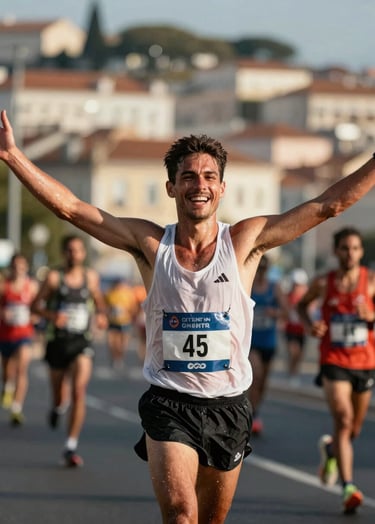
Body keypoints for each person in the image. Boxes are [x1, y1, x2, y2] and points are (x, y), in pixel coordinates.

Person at [1, 109, 375, 521]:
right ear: (171, 187)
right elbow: (72, 209)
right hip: (169, 403)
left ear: (222, 188)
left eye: (209, 176)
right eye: (189, 177)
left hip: (228, 405)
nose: (200, 185)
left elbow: (327, 205)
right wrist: (14, 156)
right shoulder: (148, 244)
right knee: (181, 513)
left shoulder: (245, 242)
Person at [297, 227, 375, 514]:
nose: (350, 253)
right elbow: (303, 305)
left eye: (355, 248)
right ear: (336, 251)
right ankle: (348, 487)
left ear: (361, 252)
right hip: (333, 360)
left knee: (354, 427)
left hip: (365, 363)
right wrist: (310, 325)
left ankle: (331, 452)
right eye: (344, 248)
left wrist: (372, 315)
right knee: (343, 420)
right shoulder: (323, 283)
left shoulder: (370, 282)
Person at [30, 234, 108, 467]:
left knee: (78, 390)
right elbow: (35, 305)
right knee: (59, 395)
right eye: (70, 250)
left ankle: (70, 445)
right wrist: (53, 316)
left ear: (84, 253)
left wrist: (102, 315)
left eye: (78, 250)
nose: (75, 254)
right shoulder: (54, 278)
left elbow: (99, 301)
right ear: (64, 253)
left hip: (81, 342)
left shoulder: (90, 277)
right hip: (57, 342)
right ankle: (56, 407)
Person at [248, 254, 287, 435]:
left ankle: (255, 411)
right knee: (255, 376)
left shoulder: (274, 288)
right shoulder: (247, 286)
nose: (261, 271)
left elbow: (287, 312)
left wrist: (276, 313)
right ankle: (251, 415)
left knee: (263, 382)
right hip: (251, 343)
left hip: (269, 342)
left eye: (264, 268)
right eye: (259, 268)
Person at [0, 253, 39, 425]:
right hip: (5, 334)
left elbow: (39, 308)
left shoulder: (31, 287)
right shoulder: (3, 286)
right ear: (11, 267)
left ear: (26, 268)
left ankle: (17, 409)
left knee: (22, 368)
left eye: (21, 266)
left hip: (24, 335)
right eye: (15, 266)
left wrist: (36, 317)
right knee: (8, 371)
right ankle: (8, 387)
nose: (18, 269)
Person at [104, 277, 138, 370]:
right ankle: (115, 358)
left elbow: (133, 308)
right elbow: (105, 306)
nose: (120, 286)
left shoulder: (128, 294)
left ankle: (120, 358)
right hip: (112, 321)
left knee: (122, 343)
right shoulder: (109, 293)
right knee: (112, 342)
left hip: (125, 321)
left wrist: (130, 315)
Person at [284, 268, 309, 387]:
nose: (297, 287)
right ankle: (292, 373)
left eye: (299, 285)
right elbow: (284, 311)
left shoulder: (306, 297)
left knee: (299, 354)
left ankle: (294, 372)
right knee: (294, 351)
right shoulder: (288, 296)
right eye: (295, 284)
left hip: (302, 330)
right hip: (290, 329)